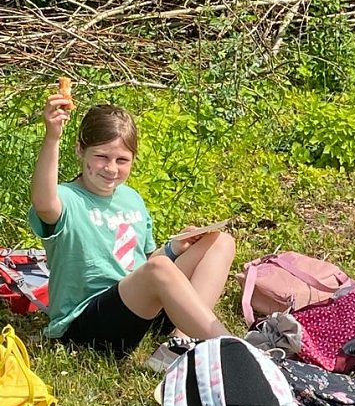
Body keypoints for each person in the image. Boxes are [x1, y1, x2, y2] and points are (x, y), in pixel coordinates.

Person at [29, 86, 236, 362]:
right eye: (102, 156)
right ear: (80, 151)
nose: (112, 168)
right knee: (160, 269)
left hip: (135, 307)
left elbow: (143, 267)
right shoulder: (67, 199)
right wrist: (52, 137)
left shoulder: (131, 198)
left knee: (219, 242)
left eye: (122, 160)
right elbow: (44, 203)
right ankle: (233, 349)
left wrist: (175, 248)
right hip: (87, 324)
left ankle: (179, 342)